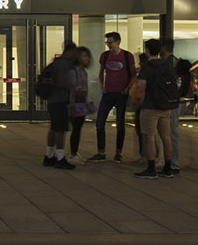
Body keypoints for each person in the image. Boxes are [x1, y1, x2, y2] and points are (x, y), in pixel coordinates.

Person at [134, 39, 178, 179]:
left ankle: (151, 168)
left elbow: (141, 86)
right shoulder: (166, 65)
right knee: (166, 136)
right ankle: (168, 167)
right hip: (166, 106)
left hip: (150, 106)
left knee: (149, 136)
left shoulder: (147, 66)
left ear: (147, 50)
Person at [91, 31, 135, 163]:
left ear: (117, 42)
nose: (108, 45)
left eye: (110, 42)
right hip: (108, 93)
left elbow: (133, 75)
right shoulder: (105, 56)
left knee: (120, 124)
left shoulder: (127, 56)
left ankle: (118, 153)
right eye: (107, 43)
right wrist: (102, 86)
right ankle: (101, 152)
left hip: (121, 94)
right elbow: (100, 73)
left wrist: (127, 89)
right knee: (100, 123)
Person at [41, 40, 78, 170]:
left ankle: (49, 155)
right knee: (60, 130)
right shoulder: (64, 64)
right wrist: (73, 86)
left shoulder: (56, 62)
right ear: (71, 51)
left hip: (52, 100)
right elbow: (62, 83)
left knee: (54, 128)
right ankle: (60, 158)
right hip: (60, 100)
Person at [159, 37, 185, 173]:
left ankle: (173, 162)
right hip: (173, 101)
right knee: (169, 133)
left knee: (171, 133)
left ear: (163, 47)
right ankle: (170, 161)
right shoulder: (175, 62)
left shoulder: (169, 63)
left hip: (170, 102)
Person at [66, 46, 93, 164]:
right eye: (83, 56)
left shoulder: (83, 72)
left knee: (78, 129)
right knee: (75, 129)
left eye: (87, 56)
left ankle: (75, 152)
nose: (86, 58)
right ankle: (73, 154)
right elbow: (72, 88)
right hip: (74, 103)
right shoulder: (73, 71)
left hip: (81, 103)